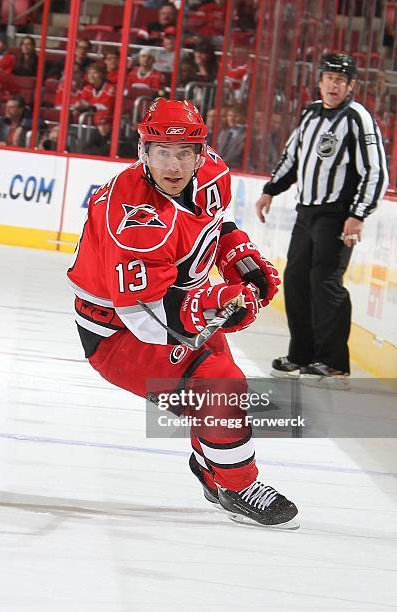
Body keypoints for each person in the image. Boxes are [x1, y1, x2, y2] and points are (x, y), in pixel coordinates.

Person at [67, 98, 298, 528]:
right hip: (118, 332)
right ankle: (237, 485)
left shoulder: (212, 173)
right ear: (144, 153)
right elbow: (146, 316)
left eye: (183, 154)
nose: (173, 166)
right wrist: (213, 303)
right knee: (219, 385)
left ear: (200, 152)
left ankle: (213, 470)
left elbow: (215, 225)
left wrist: (239, 258)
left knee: (221, 395)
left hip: (175, 303)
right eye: (162, 154)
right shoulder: (132, 218)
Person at [255, 53, 389, 381]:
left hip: (338, 214)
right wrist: (270, 189)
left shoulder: (357, 118)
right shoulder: (311, 113)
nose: (333, 84)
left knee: (325, 283)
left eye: (340, 80)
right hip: (307, 212)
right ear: (320, 81)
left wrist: (358, 215)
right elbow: (292, 158)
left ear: (351, 86)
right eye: (329, 78)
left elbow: (376, 171)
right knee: (297, 281)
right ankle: (301, 355)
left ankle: (333, 361)